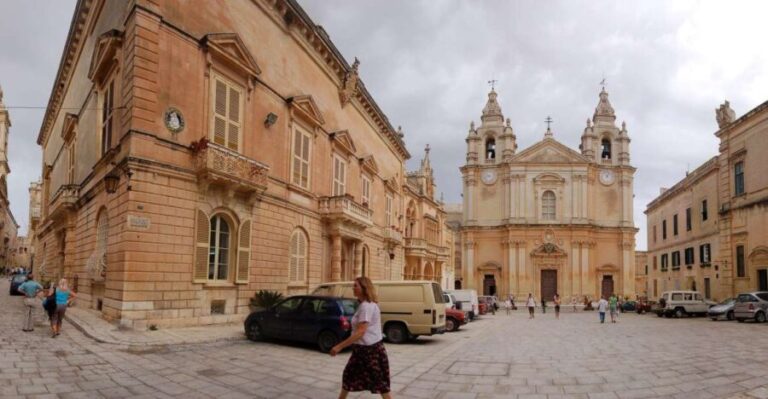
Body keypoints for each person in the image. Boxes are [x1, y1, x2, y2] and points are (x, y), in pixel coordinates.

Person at [329, 277, 391, 399]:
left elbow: (360, 332)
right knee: (349, 376)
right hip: (361, 350)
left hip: (370, 351)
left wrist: (339, 346)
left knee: (380, 383)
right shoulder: (365, 305)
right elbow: (361, 328)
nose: (353, 288)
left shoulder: (366, 306)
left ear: (364, 289)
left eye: (356, 286)